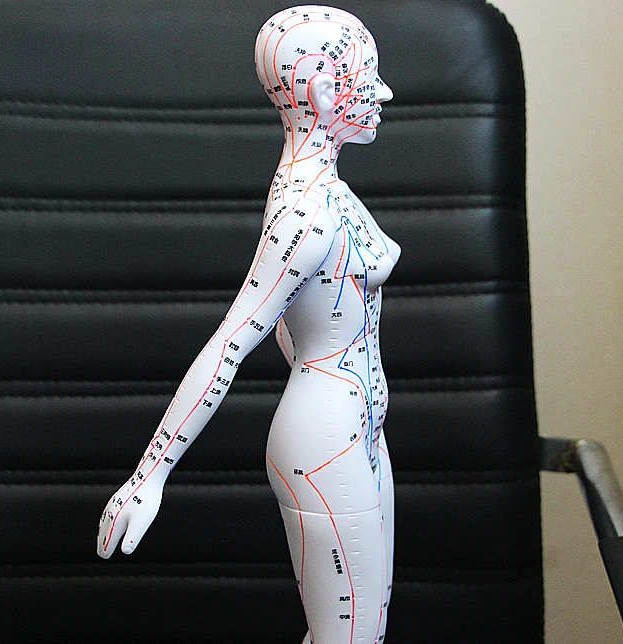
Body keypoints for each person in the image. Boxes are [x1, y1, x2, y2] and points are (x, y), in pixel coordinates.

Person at [97, 6, 399, 643]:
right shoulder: (304, 215)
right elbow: (232, 341)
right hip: (325, 442)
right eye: (368, 76)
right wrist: (149, 476)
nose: (384, 92)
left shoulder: (327, 188)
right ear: (323, 92)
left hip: (360, 426)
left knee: (359, 634)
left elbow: (298, 315)